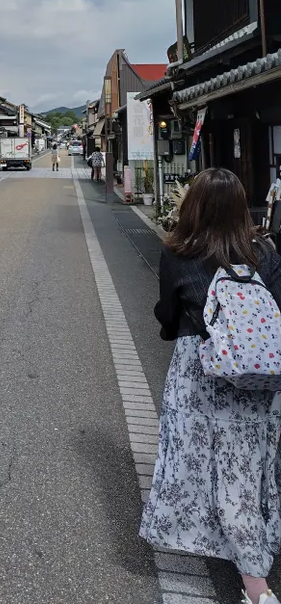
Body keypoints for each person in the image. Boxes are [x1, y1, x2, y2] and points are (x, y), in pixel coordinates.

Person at [140, 168, 281, 604]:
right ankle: (253, 548)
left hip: (200, 372)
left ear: (194, 206)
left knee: (202, 465)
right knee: (246, 469)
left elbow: (168, 314)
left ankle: (257, 587)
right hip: (260, 376)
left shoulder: (179, 252)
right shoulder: (265, 251)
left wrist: (182, 327)